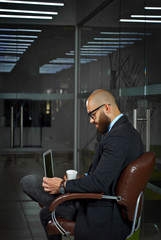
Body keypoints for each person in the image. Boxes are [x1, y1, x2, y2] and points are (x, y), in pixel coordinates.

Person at [20, 89, 144, 240]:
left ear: (106, 107)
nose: (91, 121)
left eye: (92, 115)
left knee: (29, 182)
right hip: (101, 202)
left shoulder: (117, 137)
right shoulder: (128, 132)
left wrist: (62, 186)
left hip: (99, 210)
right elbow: (105, 175)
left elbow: (99, 182)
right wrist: (78, 180)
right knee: (46, 214)